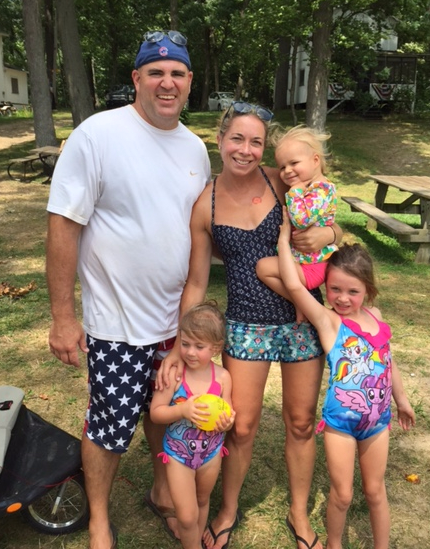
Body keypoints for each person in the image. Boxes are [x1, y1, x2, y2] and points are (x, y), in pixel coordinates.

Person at [46, 30, 211, 549]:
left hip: (175, 322)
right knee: (110, 426)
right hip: (116, 321)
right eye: (156, 72)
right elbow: (63, 224)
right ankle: (99, 519)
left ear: (189, 81)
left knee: (168, 414)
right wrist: (63, 317)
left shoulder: (195, 148)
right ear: (137, 78)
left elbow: (201, 228)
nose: (167, 83)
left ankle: (163, 492)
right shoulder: (98, 135)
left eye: (177, 73)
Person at [158, 101, 343, 549]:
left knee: (301, 423)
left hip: (300, 318)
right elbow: (197, 281)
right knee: (240, 426)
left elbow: (327, 219)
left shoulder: (281, 180)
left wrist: (332, 234)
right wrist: (179, 346)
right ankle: (227, 509)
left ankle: (298, 511)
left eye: (256, 142)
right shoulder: (205, 205)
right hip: (244, 324)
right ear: (220, 140)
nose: (246, 149)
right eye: (237, 139)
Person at [277, 216, 415, 549]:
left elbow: (388, 360)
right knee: (342, 494)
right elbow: (294, 287)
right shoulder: (328, 321)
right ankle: (335, 543)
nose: (342, 298)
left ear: (368, 290)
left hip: (378, 422)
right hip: (341, 424)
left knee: (375, 491)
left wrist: (402, 400)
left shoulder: (376, 317)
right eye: (334, 289)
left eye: (353, 291)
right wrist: (283, 240)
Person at [150, 302, 235, 549]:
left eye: (199, 346)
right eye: (185, 343)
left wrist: (227, 423)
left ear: (216, 347)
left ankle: (194, 540)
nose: (190, 352)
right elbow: (156, 412)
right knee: (186, 517)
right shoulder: (175, 375)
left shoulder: (222, 378)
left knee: (201, 500)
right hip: (178, 455)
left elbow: (229, 415)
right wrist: (182, 410)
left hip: (211, 453)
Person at [256, 125, 338, 307]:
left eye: (294, 163)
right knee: (264, 268)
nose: (287, 171)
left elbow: (301, 220)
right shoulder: (311, 188)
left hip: (313, 267)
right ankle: (301, 303)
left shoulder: (322, 190)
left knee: (263, 268)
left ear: (315, 160)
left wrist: (294, 191)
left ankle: (303, 304)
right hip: (305, 262)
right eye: (282, 167)